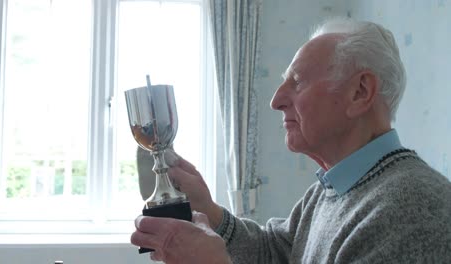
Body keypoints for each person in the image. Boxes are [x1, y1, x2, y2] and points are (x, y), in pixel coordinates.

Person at [131, 18, 451, 263]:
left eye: (296, 81)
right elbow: (275, 252)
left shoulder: (410, 213)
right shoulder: (330, 191)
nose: (276, 100)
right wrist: (210, 213)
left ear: (360, 92)